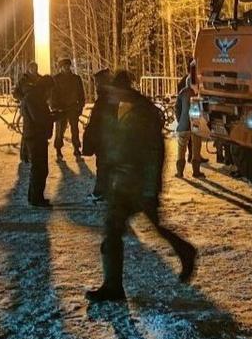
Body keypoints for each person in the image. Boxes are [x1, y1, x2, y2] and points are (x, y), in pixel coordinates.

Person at [87, 70, 197, 302]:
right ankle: (112, 286)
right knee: (113, 230)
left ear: (124, 90)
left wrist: (150, 188)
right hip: (124, 183)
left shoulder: (143, 112)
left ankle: (186, 251)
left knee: (152, 227)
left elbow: (154, 153)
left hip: (138, 184)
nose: (112, 96)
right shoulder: (122, 107)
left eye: (115, 92)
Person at [21, 74, 55, 207]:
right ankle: (36, 198)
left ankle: (34, 197)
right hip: (35, 137)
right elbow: (39, 118)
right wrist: (53, 117)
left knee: (39, 168)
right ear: (45, 87)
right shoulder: (34, 98)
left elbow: (41, 116)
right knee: (39, 169)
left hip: (35, 136)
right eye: (50, 90)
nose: (50, 93)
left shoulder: (35, 97)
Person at [82, 68, 113, 200]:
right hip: (110, 138)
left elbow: (98, 121)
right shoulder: (111, 96)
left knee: (103, 166)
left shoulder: (104, 99)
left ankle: (101, 192)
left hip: (105, 139)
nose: (95, 86)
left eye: (97, 83)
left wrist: (91, 136)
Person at [50, 58, 86, 160]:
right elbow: (53, 95)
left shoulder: (76, 78)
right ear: (61, 67)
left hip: (73, 107)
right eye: (64, 66)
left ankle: (76, 148)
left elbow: (81, 93)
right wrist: (55, 107)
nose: (66, 68)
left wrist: (81, 105)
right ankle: (58, 149)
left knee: (75, 129)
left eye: (67, 66)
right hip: (61, 109)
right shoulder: (56, 79)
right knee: (60, 130)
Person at [173, 62, 204, 179]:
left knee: (181, 148)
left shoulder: (182, 93)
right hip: (196, 125)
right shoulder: (199, 94)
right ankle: (196, 172)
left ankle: (180, 172)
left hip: (183, 125)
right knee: (196, 148)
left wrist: (180, 119)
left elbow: (177, 108)